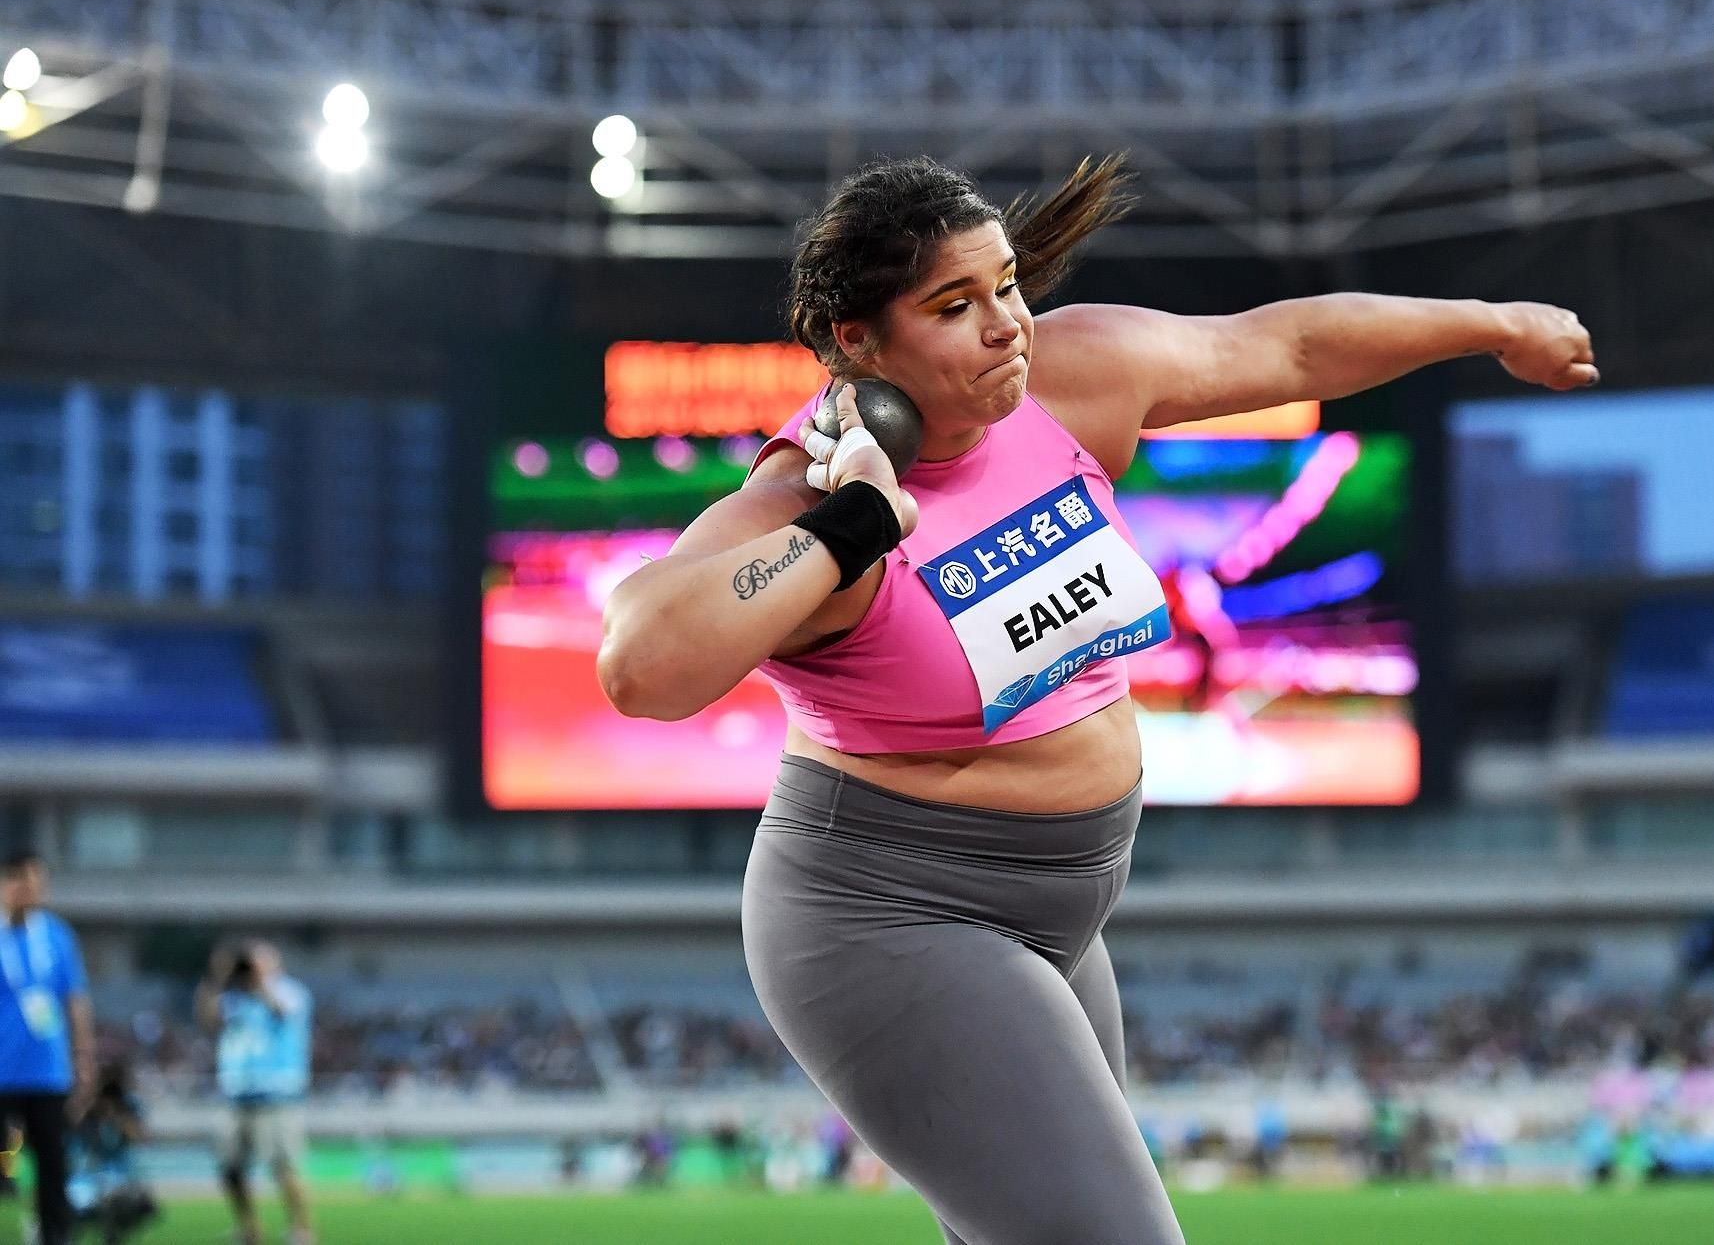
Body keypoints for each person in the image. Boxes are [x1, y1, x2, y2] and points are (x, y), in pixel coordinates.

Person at [597, 153, 1596, 1244]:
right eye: (952, 305)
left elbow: (1286, 343)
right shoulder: (798, 498)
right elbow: (641, 662)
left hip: (1060, 912)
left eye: (1008, 287)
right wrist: (852, 529)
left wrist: (1491, 321)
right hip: (890, 915)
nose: (1005, 326)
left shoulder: (1071, 383)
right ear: (855, 340)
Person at [0, 851, 94, 1245]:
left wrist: (84, 1062)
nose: (31, 889)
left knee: (53, 1166)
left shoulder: (56, 935)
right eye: (22, 879)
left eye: (38, 881)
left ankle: (54, 1236)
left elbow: (76, 1002)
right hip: (2, 1068)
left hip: (47, 1071)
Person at [195, 941, 313, 1245]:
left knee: (283, 1166)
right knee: (231, 1167)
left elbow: (282, 1010)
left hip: (277, 1094)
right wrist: (215, 977)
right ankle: (249, 1229)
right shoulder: (231, 997)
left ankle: (301, 1228)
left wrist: (260, 982)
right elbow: (206, 1021)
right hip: (237, 1093)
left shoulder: (290, 990)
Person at [68, 1060, 158, 1244]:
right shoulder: (86, 1105)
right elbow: (70, 1126)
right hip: (86, 1179)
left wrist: (118, 1115)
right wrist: (90, 1106)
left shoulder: (129, 1105)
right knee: (74, 1209)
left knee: (138, 1203)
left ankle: (113, 1237)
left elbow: (140, 1137)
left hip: (119, 1179)